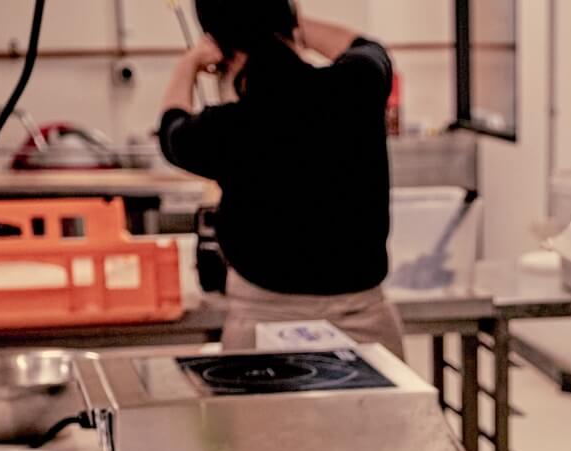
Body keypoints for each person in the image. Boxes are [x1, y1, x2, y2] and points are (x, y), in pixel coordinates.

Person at [158, 0, 405, 355]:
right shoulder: (356, 86)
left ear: (225, 51)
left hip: (263, 325)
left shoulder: (229, 126)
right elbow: (369, 47)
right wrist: (288, 23)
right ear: (291, 25)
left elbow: (172, 130)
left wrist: (190, 63)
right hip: (363, 321)